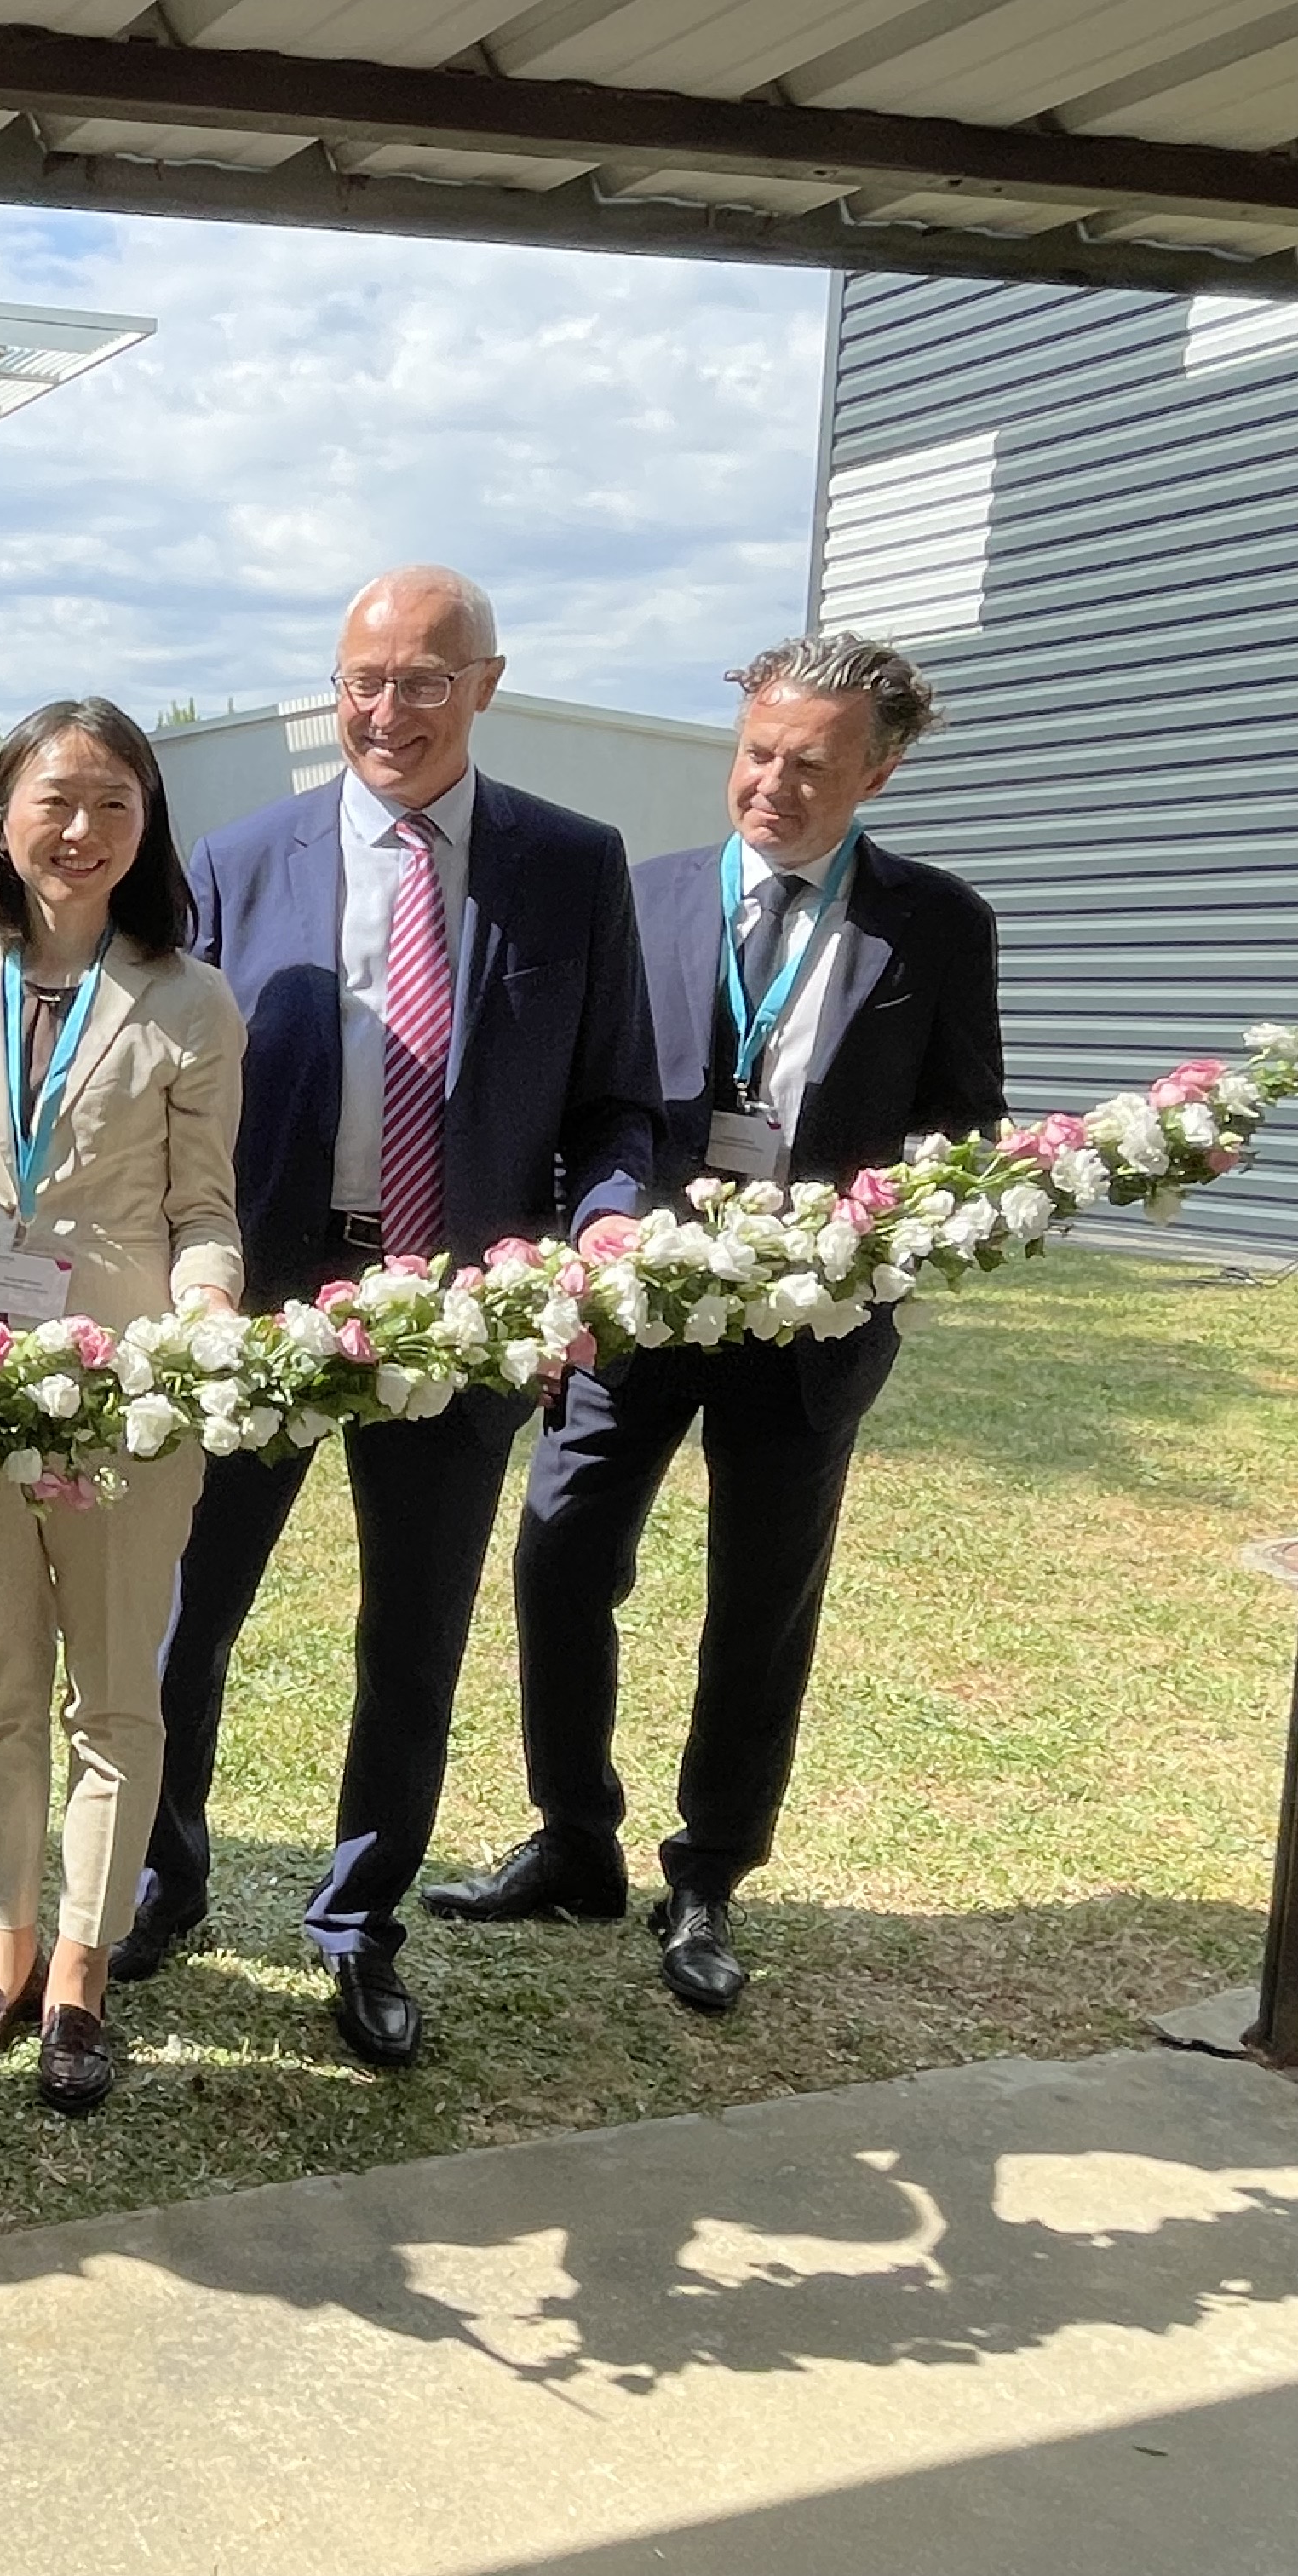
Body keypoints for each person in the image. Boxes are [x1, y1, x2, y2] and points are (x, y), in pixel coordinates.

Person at [117, 566, 663, 2071]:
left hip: (462, 1320)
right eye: (364, 680)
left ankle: (359, 1925)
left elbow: (617, 1099)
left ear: (485, 684)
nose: (389, 711)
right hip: (268, 1307)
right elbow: (164, 1100)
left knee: (411, 1641)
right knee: (184, 1617)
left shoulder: (571, 866)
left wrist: (600, 1230)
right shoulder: (235, 862)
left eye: (426, 680)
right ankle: (162, 1881)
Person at [431, 635, 1003, 2012]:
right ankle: (576, 1841)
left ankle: (709, 1877)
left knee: (761, 1604)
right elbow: (591, 1100)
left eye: (811, 765)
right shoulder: (649, 898)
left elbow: (964, 1135)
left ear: (881, 767)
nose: (773, 787)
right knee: (560, 1561)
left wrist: (867, 1250)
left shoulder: (937, 923)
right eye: (756, 754)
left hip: (809, 1334)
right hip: (640, 1311)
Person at [0, 699, 243, 2113]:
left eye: (112, 805)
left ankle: (82, 1971)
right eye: (53, 800)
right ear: (2, 816)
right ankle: (3, 1952)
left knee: (114, 1696)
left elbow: (203, 1211)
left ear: (145, 828)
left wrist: (208, 1313)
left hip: (124, 1402)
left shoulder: (191, 1002)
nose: (80, 831)